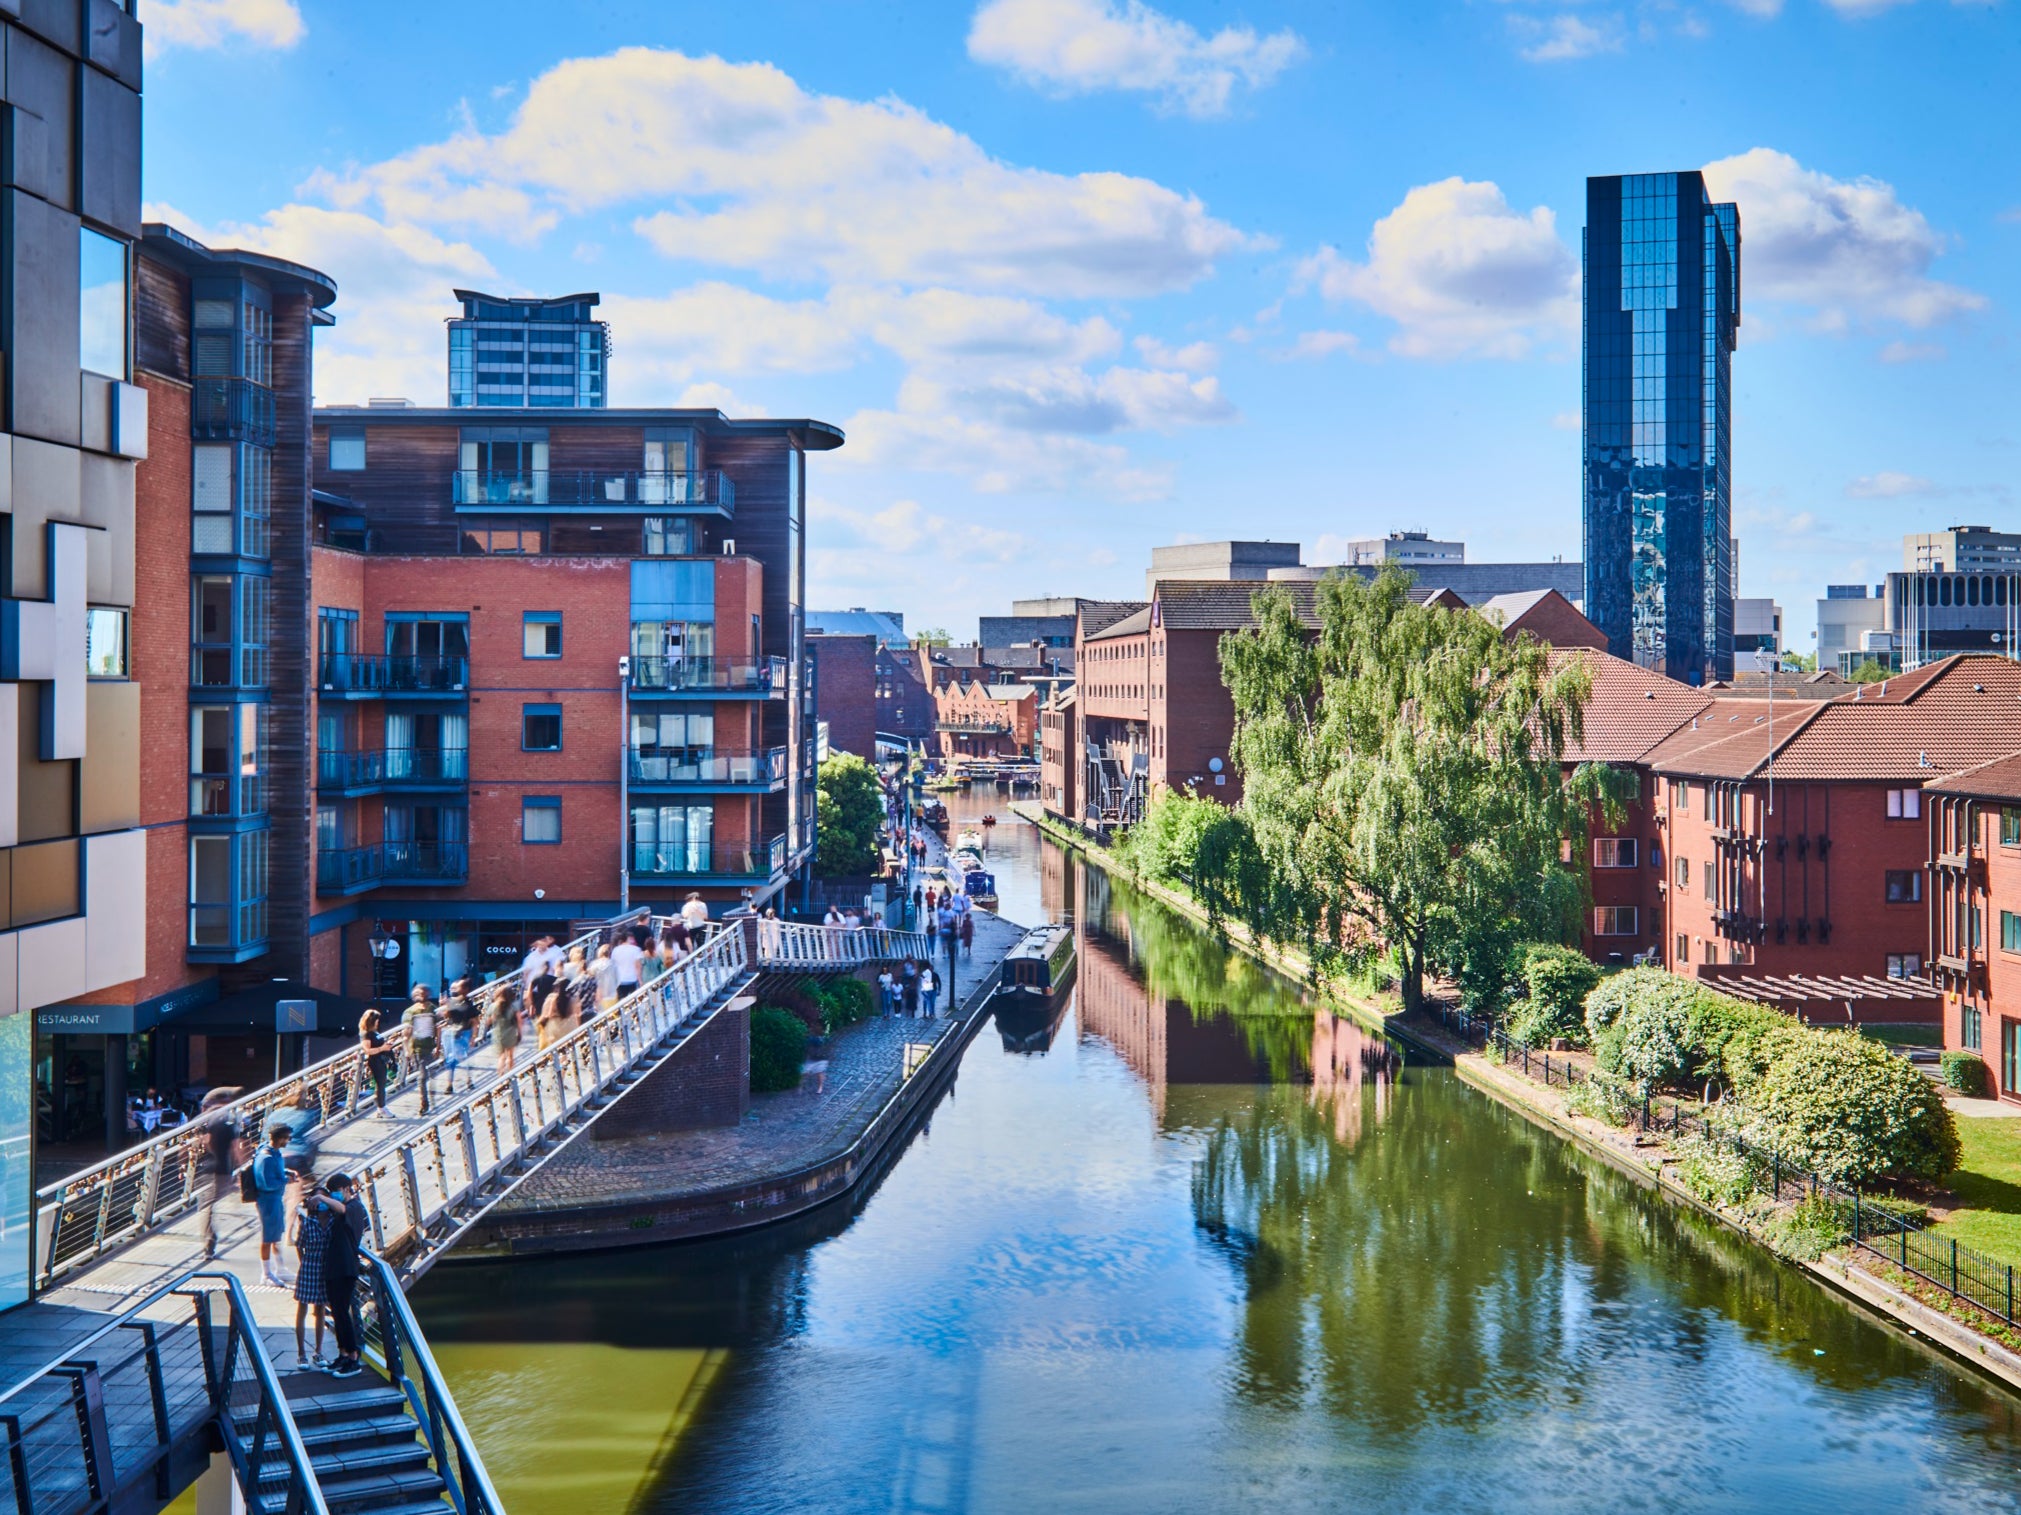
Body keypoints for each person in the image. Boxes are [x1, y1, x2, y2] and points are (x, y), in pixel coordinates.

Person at [317, 1173, 369, 1379]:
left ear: (347, 1189)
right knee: (337, 1313)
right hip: (334, 1266)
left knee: (344, 1313)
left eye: (336, 1191)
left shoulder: (355, 1207)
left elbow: (343, 1209)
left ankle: (354, 1357)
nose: (334, 1195)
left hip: (346, 1267)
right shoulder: (337, 1211)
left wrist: (322, 1198)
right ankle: (343, 1353)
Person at [196, 1089, 243, 1258]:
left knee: (206, 1205)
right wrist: (240, 1170)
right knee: (209, 1205)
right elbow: (236, 1149)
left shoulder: (201, 1122)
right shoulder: (227, 1123)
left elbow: (193, 1145)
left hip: (203, 1168)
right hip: (221, 1168)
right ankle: (209, 1243)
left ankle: (208, 1243)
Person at [291, 1196, 331, 1369]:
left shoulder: (332, 1222)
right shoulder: (307, 1223)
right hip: (309, 1266)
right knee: (302, 1307)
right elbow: (299, 1245)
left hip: (325, 1268)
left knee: (321, 1309)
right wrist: (304, 1262)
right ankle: (301, 1353)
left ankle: (318, 1351)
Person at [252, 1124, 292, 1287]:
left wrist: (286, 1173)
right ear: (280, 1138)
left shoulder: (274, 1154)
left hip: (275, 1199)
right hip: (268, 1201)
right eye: (287, 1138)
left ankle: (279, 1268)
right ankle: (266, 1273)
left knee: (276, 1235)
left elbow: (276, 1173)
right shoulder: (266, 1158)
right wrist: (285, 1180)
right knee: (268, 1237)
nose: (288, 1141)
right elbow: (265, 1183)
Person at [402, 986, 440, 1115]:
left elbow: (439, 1028)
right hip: (418, 1048)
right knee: (423, 1076)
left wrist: (438, 1046)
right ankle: (424, 1102)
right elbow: (406, 1034)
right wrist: (407, 1050)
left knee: (431, 1075)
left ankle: (431, 1099)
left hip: (431, 1046)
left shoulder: (433, 1009)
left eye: (424, 993)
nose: (422, 996)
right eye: (419, 993)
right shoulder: (410, 1012)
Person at [441, 979, 478, 1095]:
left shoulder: (468, 1004)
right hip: (452, 1033)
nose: (456, 989)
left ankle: (468, 1080)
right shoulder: (452, 1002)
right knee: (451, 1059)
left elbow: (475, 1021)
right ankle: (450, 1084)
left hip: (464, 1032)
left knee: (463, 1057)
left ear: (466, 989)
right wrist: (444, 1006)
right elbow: (447, 1017)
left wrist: (473, 1037)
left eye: (459, 987)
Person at [358, 1009, 391, 1113]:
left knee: (382, 1083)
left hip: (381, 1060)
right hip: (375, 1061)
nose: (378, 1022)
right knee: (380, 1084)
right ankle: (381, 1108)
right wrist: (382, 1049)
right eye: (376, 1020)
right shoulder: (366, 1034)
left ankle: (382, 1106)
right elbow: (367, 1050)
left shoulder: (375, 1031)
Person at [491, 980, 524, 1075]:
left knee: (501, 1057)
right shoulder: (514, 1007)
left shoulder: (494, 1006)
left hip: (498, 1033)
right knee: (510, 1056)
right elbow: (519, 1021)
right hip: (511, 1033)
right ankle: (510, 1075)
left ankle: (500, 1077)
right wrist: (520, 1034)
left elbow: (492, 1020)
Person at [610, 932, 645, 999]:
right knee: (632, 1001)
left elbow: (613, 965)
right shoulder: (636, 950)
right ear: (629, 939)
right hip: (632, 979)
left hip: (619, 980)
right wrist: (640, 980)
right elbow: (638, 966)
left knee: (620, 1000)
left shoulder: (615, 950)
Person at [592, 943, 619, 1012]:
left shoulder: (594, 965)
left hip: (599, 996)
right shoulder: (614, 964)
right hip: (612, 994)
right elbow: (618, 980)